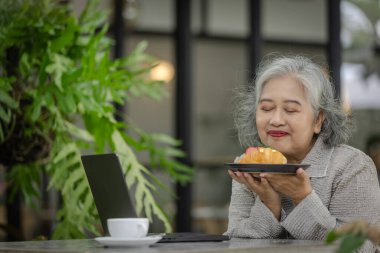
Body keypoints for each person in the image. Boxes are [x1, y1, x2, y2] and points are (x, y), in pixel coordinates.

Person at [225, 55, 380, 252]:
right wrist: (269, 205)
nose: (275, 120)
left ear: (318, 120)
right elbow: (234, 245)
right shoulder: (248, 166)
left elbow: (360, 248)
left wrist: (302, 198)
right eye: (266, 108)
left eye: (290, 110)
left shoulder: (352, 166)